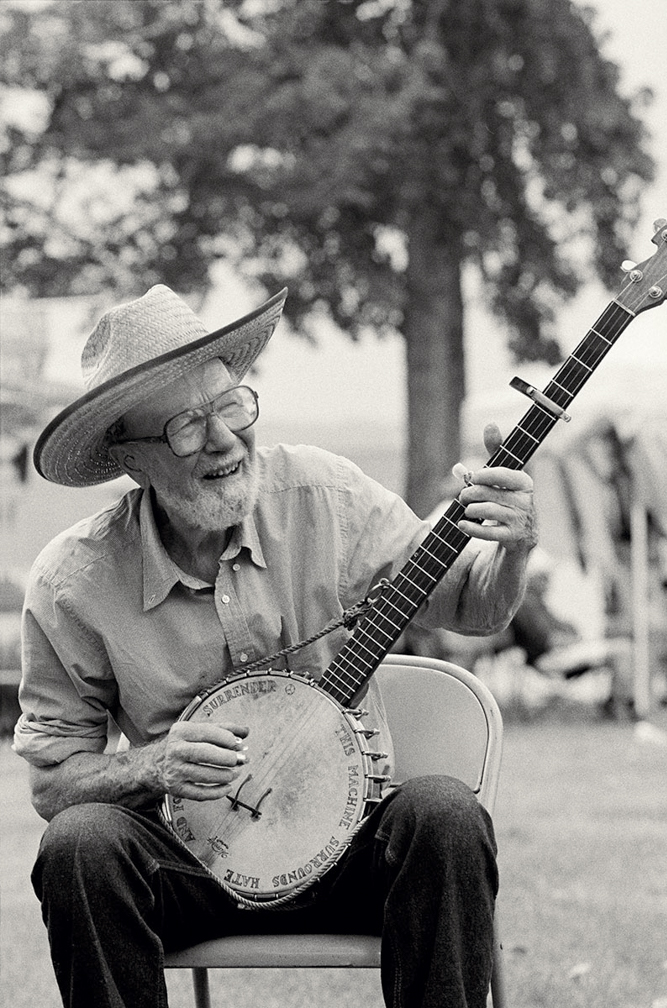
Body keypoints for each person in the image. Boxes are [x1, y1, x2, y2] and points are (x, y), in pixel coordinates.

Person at [14, 283, 537, 1008]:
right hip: (194, 864)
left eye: (230, 404)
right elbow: (51, 784)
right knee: (81, 844)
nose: (225, 438)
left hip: (357, 848)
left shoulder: (327, 496)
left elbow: (473, 607)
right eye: (185, 427)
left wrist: (512, 550)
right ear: (130, 460)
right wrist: (153, 763)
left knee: (446, 814)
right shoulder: (75, 583)